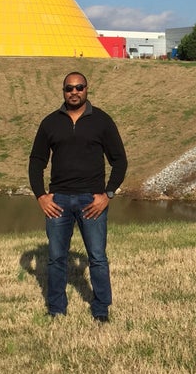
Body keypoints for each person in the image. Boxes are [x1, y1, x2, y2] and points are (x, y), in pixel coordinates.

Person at [28, 71, 127, 322]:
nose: (74, 92)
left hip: (92, 201)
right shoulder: (50, 122)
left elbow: (120, 161)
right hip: (59, 200)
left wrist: (108, 194)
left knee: (97, 257)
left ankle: (101, 309)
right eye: (69, 88)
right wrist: (41, 196)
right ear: (63, 91)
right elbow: (36, 161)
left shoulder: (102, 121)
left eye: (79, 87)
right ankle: (56, 309)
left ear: (87, 89)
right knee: (56, 258)